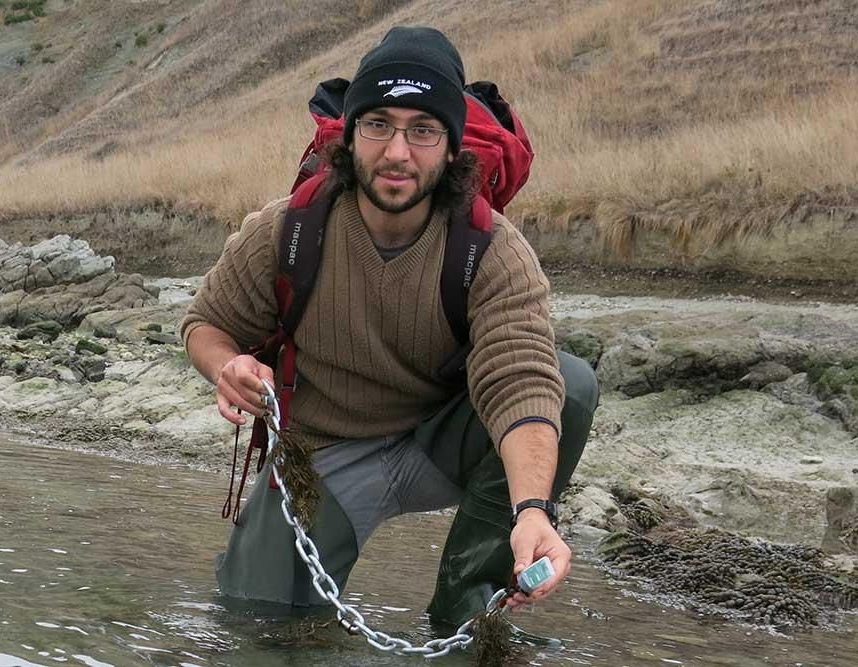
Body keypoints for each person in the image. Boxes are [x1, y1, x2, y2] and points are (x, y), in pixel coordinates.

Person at [181, 25, 598, 626]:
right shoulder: (289, 230)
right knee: (256, 622)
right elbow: (205, 323)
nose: (398, 152)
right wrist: (227, 366)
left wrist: (532, 510)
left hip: (440, 442)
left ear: (453, 147)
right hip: (322, 456)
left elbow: (522, 384)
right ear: (349, 137)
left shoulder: (492, 249)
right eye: (378, 123)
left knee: (571, 384)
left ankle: (466, 604)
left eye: (423, 130)